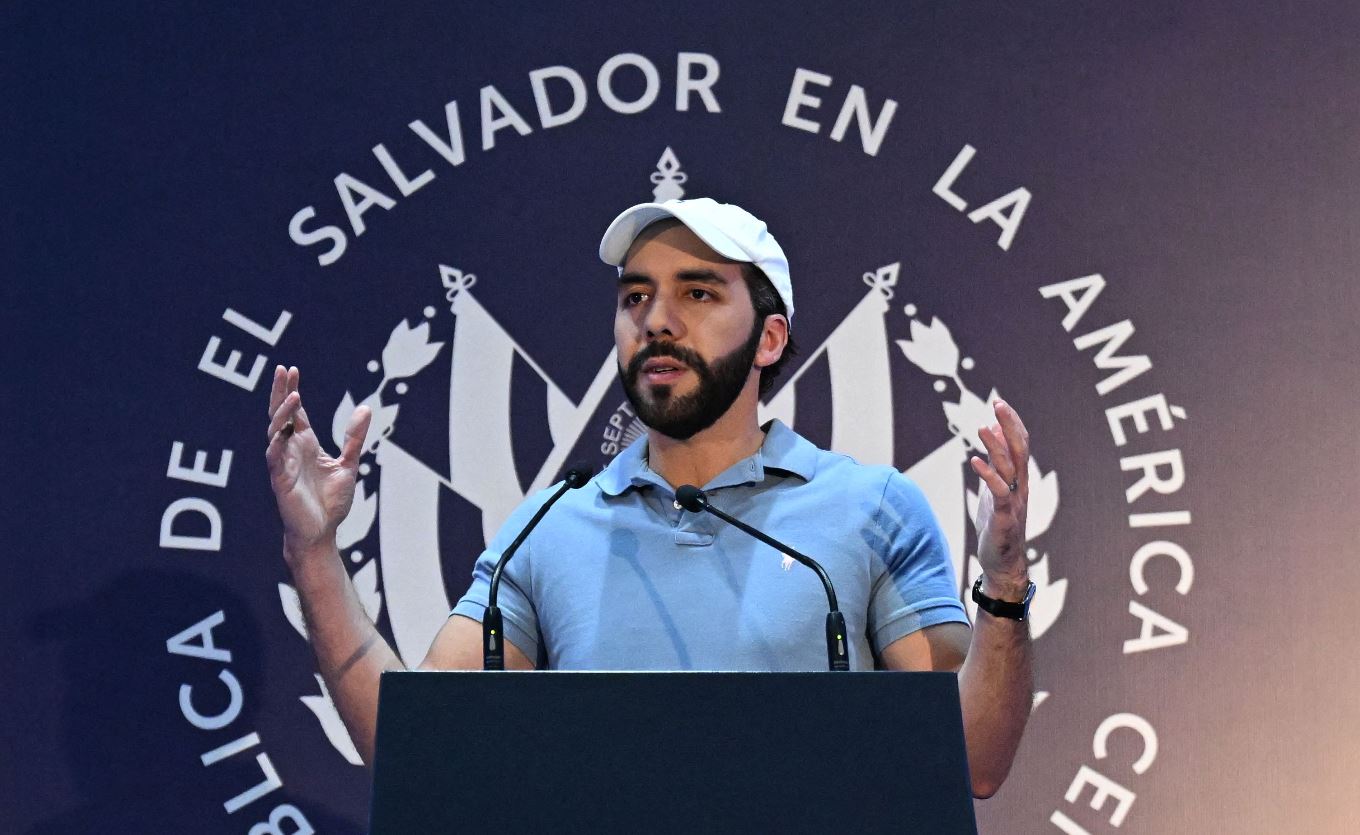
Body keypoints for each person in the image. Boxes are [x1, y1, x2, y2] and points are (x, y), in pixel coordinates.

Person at [266, 198, 1034, 797]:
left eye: (696, 293)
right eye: (635, 298)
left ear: (769, 339)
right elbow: (415, 751)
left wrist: (1001, 588)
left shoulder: (872, 509)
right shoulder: (546, 529)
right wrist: (315, 552)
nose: (656, 321)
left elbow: (971, 762)